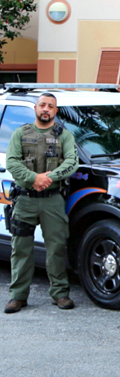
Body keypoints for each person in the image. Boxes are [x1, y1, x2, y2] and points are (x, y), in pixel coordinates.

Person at [4, 93, 78, 314]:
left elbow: (72, 162)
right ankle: (18, 296)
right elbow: (11, 161)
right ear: (36, 108)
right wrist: (33, 179)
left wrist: (48, 178)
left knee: (55, 248)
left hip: (53, 200)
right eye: (43, 105)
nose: (46, 109)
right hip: (25, 199)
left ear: (56, 111)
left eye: (51, 106)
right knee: (21, 248)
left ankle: (60, 293)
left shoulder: (64, 135)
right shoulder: (20, 133)